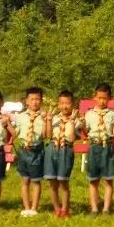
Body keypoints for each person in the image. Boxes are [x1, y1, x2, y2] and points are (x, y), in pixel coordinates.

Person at [82, 83, 114, 216]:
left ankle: (106, 208)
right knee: (93, 179)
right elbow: (85, 131)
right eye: (99, 98)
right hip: (94, 147)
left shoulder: (112, 115)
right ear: (95, 97)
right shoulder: (89, 114)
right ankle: (94, 208)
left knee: (108, 179)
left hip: (108, 147)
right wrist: (81, 124)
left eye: (104, 98)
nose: (101, 101)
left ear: (109, 98)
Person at [44, 90, 79, 218]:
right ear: (58, 104)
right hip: (52, 149)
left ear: (72, 104)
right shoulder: (54, 118)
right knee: (52, 182)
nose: (65, 106)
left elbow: (73, 138)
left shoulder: (76, 120)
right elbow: (48, 135)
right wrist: (48, 121)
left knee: (63, 182)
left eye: (67, 103)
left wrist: (72, 122)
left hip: (66, 150)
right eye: (62, 103)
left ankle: (65, 209)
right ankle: (56, 208)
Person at [12, 87, 47, 217]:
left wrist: (47, 121)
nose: (34, 102)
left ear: (41, 101)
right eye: (32, 99)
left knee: (36, 181)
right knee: (25, 180)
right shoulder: (21, 117)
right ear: (26, 101)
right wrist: (7, 124)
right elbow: (15, 134)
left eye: (37, 99)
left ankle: (34, 208)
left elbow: (44, 135)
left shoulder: (43, 117)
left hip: (36, 150)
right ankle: (26, 207)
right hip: (23, 150)